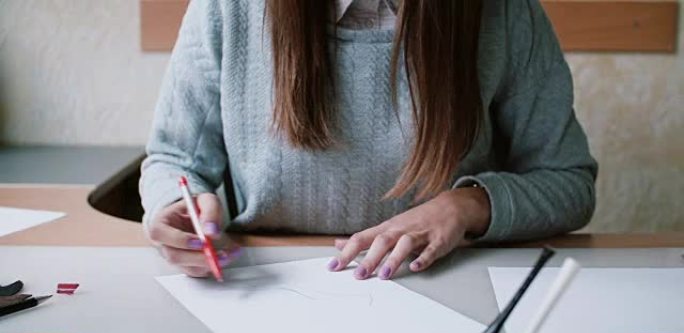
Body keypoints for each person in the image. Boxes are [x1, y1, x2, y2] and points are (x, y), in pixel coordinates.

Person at [140, 0, 597, 280]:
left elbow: (568, 183)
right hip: (262, 289)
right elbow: (172, 159)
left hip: (450, 285)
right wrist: (177, 206)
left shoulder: (504, 11)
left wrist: (468, 207)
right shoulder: (227, 7)